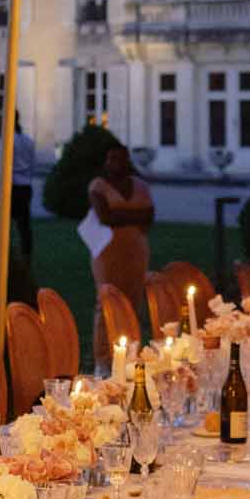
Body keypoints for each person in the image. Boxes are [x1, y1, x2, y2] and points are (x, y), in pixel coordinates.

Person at [87, 141, 155, 367]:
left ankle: (130, 356)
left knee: (133, 301)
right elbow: (105, 217)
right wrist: (134, 215)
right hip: (107, 252)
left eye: (121, 158)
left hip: (136, 250)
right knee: (106, 300)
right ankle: (104, 359)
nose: (116, 163)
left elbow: (149, 217)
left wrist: (120, 214)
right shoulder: (98, 186)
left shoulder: (140, 186)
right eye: (112, 159)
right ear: (105, 162)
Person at [9, 114, 36, 261]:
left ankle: (8, 254)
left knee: (3, 224)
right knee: (24, 225)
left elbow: (2, 166)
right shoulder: (28, 141)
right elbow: (32, 164)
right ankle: (26, 254)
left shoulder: (8, 140)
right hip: (26, 187)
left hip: (13, 187)